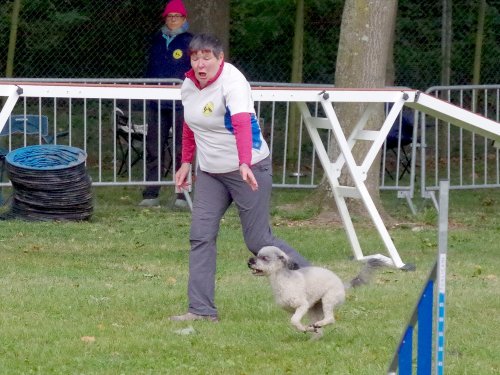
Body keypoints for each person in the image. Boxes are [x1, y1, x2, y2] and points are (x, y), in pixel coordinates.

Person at [170, 34, 310, 322]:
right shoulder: (188, 86)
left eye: (206, 57)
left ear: (220, 59)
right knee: (200, 236)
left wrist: (244, 162)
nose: (200, 63)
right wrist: (186, 162)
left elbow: (242, 123)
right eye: (195, 57)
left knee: (258, 240)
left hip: (249, 168)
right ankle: (201, 310)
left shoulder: (233, 82)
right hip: (210, 172)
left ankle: (315, 285)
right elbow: (189, 125)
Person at [139, 0, 192, 209]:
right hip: (156, 104)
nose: (172, 20)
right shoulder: (157, 40)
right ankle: (151, 193)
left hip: (181, 105)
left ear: (184, 19)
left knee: (182, 149)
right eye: (169, 17)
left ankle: (182, 194)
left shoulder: (190, 41)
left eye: (176, 17)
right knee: (154, 147)